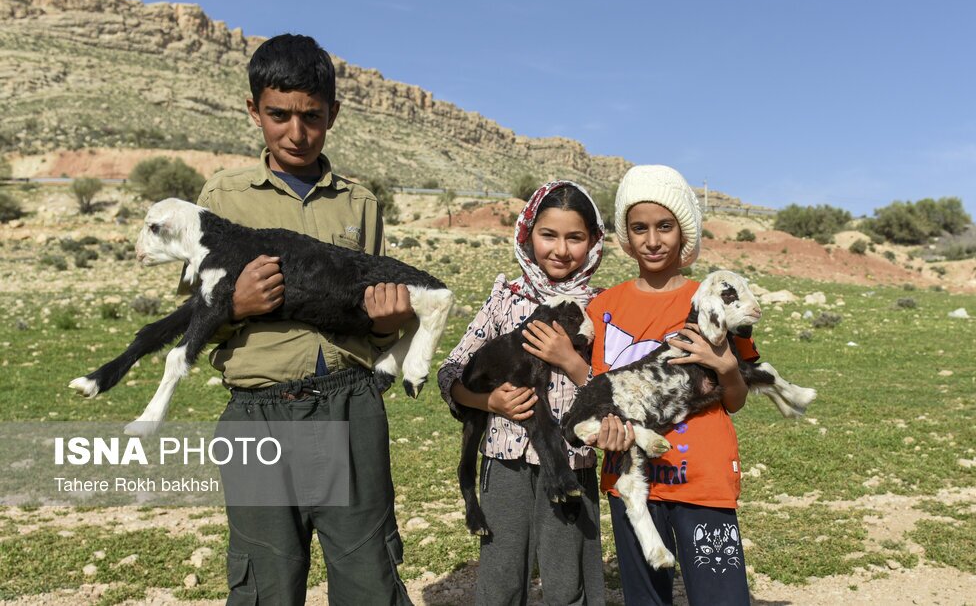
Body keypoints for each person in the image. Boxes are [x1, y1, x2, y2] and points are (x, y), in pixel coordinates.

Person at [194, 34, 414, 605]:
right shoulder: (222, 198)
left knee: (369, 573)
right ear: (253, 110)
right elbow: (194, 317)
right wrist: (236, 305)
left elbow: (373, 320)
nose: (296, 132)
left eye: (312, 117)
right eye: (279, 115)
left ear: (332, 114)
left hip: (350, 406)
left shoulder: (360, 204)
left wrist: (385, 326)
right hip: (258, 413)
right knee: (266, 580)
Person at [586, 165, 756, 606]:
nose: (652, 240)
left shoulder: (714, 298)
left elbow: (735, 400)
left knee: (722, 600)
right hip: (631, 480)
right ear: (626, 234)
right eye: (639, 228)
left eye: (665, 226)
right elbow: (603, 395)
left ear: (684, 232)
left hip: (703, 479)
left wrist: (726, 367)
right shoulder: (604, 307)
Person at [437, 181, 607, 606]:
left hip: (570, 462)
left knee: (566, 582)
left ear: (594, 241)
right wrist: (488, 402)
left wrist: (570, 360)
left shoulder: (602, 308)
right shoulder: (505, 299)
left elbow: (613, 389)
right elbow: (452, 370)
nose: (561, 250)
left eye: (575, 237)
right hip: (504, 463)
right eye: (549, 235)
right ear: (528, 234)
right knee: (501, 578)